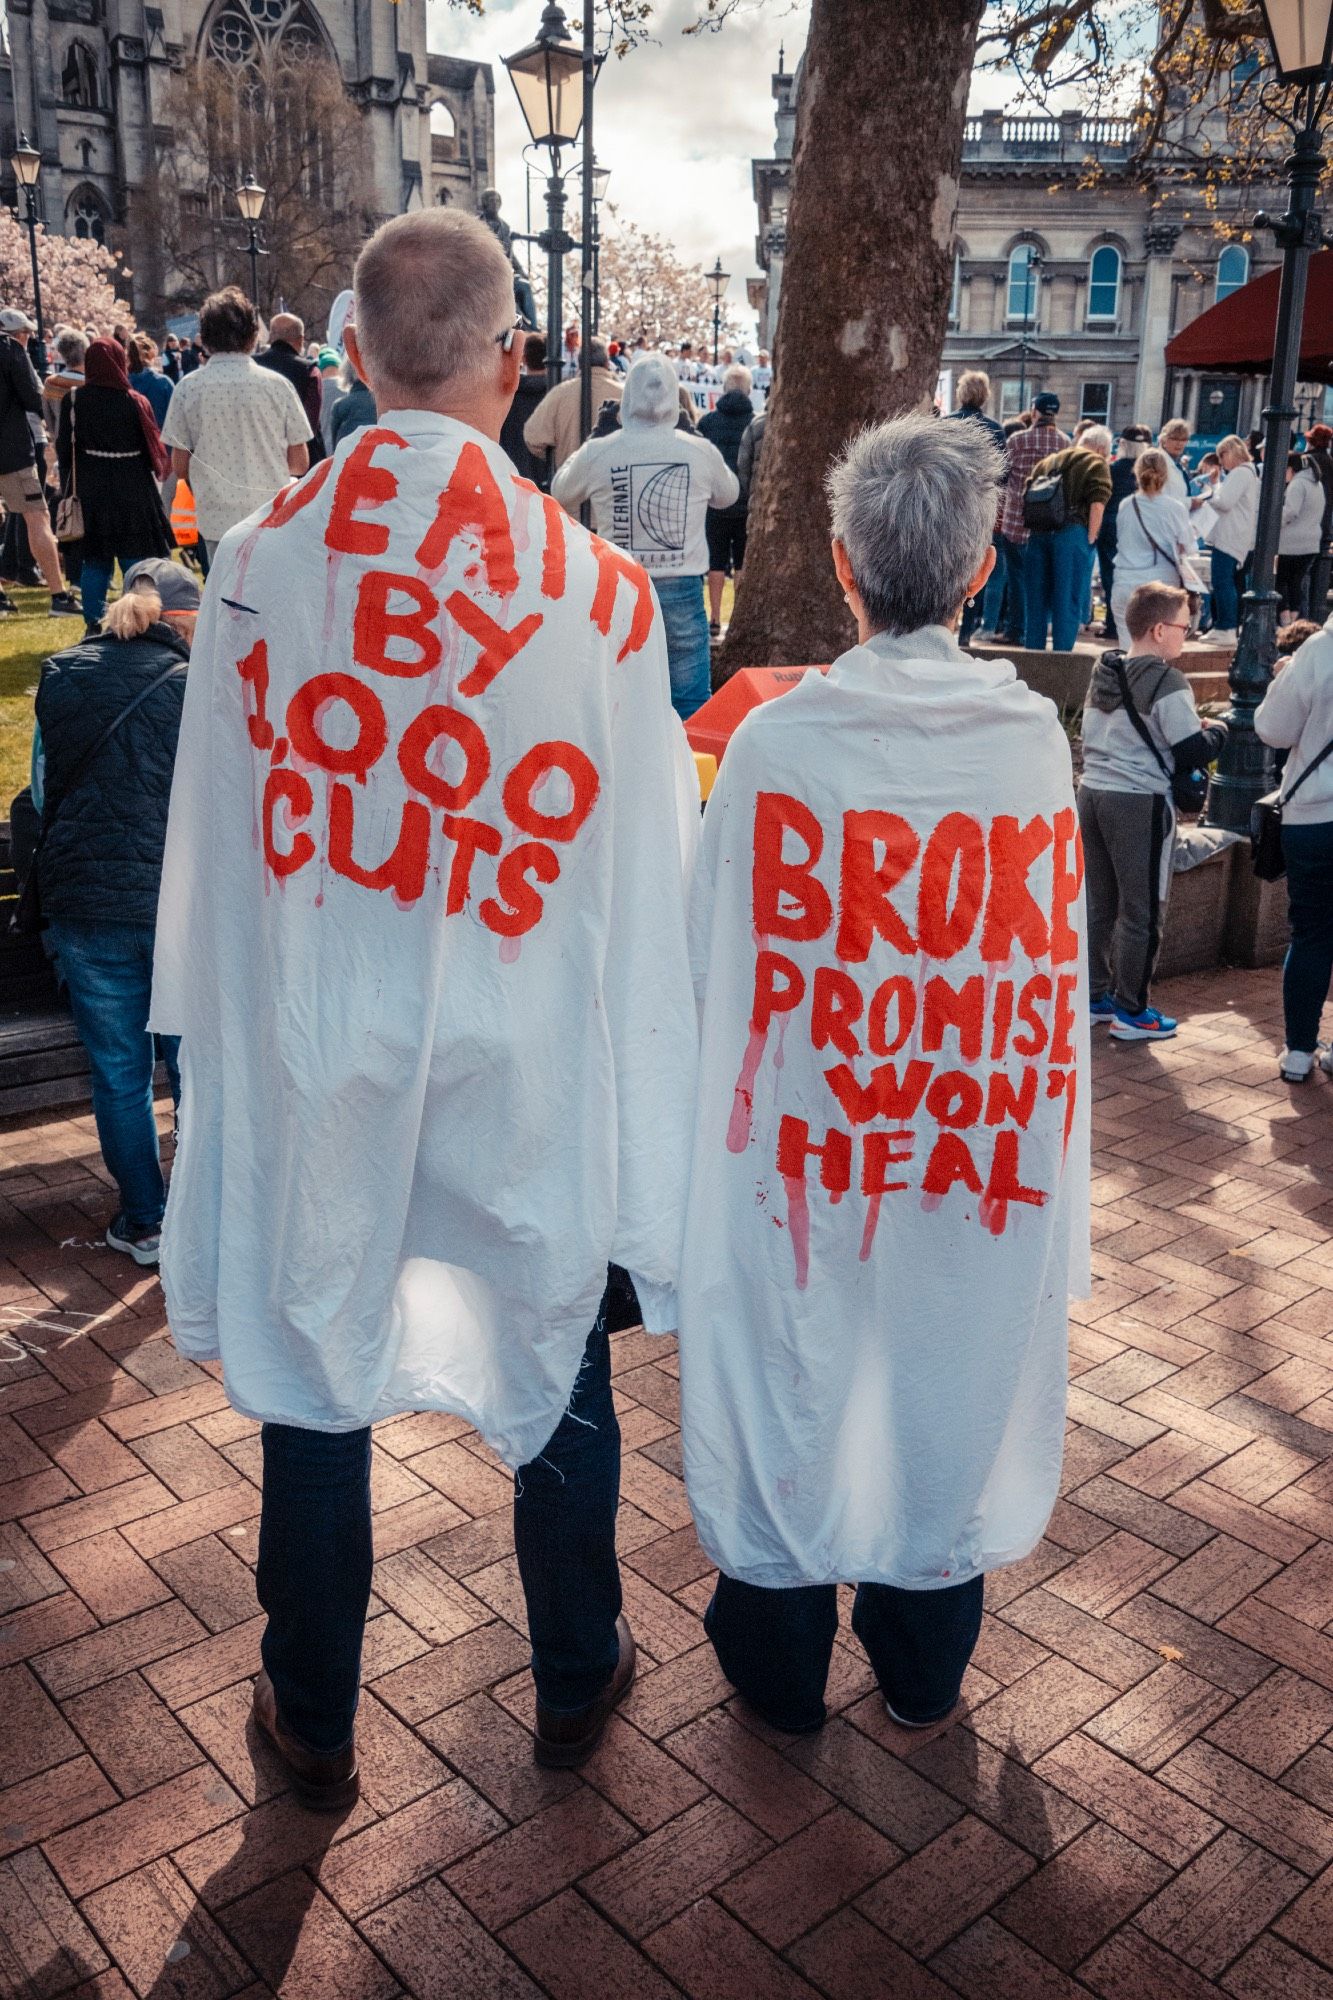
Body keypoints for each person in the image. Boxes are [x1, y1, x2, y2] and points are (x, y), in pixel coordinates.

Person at [149, 208, 698, 1800]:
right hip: (523, 1040)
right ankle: (576, 1670)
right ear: (513, 361)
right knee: (556, 1339)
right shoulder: (597, 599)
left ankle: (312, 1711)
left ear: (356, 360)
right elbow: (641, 876)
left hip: (327, 1032)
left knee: (318, 1357)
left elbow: (219, 843)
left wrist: (218, 1034)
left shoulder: (253, 577)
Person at [677, 411, 1090, 1735]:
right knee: (943, 1370)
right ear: (979, 572)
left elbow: (707, 960)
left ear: (847, 566)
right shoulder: (1029, 748)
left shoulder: (776, 749)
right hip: (966, 1152)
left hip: (803, 1151)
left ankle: (781, 1668)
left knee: (793, 1378)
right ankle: (919, 1665)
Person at [31, 557, 199, 1262]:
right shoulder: (197, 685)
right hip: (178, 904)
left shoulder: (62, 674)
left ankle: (146, 1221)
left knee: (120, 1073)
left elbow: (43, 792)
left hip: (86, 905)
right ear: (184, 619)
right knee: (193, 1068)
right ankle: (201, 1209)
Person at [552, 350, 738, 720]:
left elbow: (561, 491)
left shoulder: (601, 451)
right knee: (689, 702)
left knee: (618, 700)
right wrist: (693, 437)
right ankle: (690, 773)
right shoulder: (698, 451)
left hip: (620, 585)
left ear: (627, 396)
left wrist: (596, 439)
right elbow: (728, 494)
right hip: (682, 587)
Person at [1079, 583, 1227, 1044]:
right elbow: (1188, 750)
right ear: (1160, 629)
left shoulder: (1104, 669)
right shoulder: (1166, 680)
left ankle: (1095, 996)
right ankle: (1132, 1010)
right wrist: (1219, 731)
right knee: (1143, 910)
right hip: (1138, 801)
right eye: (1185, 626)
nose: (1189, 633)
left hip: (1091, 793)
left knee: (1099, 904)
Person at [161, 287, 311, 565]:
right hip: (269, 515)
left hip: (217, 517)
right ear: (254, 335)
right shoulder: (278, 386)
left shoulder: (187, 389)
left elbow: (180, 467)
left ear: (204, 338)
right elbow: (300, 462)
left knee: (223, 599)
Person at [1256, 616, 1333, 1083]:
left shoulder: (1319, 651)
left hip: (1314, 816)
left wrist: (1283, 680)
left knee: (1311, 934)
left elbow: (1273, 730)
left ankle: (1300, 1052)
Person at [56, 338, 175, 635]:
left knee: (95, 559)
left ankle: (93, 624)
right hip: (132, 488)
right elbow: (153, 451)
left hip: (92, 488)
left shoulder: (73, 400)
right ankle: (139, 621)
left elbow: (63, 449)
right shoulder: (135, 402)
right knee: (135, 557)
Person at [0, 308, 80, 615]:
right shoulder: (10, 351)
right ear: (18, 334)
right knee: (37, 517)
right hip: (11, 451)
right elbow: (33, 399)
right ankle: (58, 596)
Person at [1023, 423, 1112, 652]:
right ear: (1102, 449)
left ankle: (1033, 656)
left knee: (1036, 603)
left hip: (1038, 534)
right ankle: (1061, 657)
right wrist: (1091, 538)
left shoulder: (1047, 462)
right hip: (1071, 535)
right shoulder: (1095, 462)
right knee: (1067, 600)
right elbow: (1097, 503)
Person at [997, 390, 1068, 648]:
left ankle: (1016, 629)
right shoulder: (1064, 444)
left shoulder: (1017, 440)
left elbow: (1002, 475)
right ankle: (1037, 631)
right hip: (1048, 523)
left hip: (1016, 519)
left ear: (1035, 411)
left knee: (1017, 580)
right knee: (1043, 581)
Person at [1108, 446, 1198, 640]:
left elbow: (1122, 540)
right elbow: (1190, 549)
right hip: (1162, 583)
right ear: (1165, 475)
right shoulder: (1175, 508)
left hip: (1125, 579)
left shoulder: (1126, 505)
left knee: (1127, 649)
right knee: (1158, 651)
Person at [945, 370, 1005, 642]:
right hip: (979, 507)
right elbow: (1004, 475)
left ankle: (946, 625)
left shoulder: (946, 425)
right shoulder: (993, 429)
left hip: (947, 507)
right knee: (976, 570)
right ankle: (966, 632)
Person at [697, 362, 754, 636]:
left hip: (715, 502)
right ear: (749, 390)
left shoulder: (707, 423)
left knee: (716, 562)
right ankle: (737, 619)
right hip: (746, 504)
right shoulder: (754, 423)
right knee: (742, 561)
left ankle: (716, 617)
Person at [522, 334, 622, 472]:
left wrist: (557, 455)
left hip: (570, 479)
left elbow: (533, 437)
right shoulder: (624, 394)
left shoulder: (560, 393)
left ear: (579, 363)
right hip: (613, 482)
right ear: (606, 362)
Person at [1198, 434, 1258, 645]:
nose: (1220, 462)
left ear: (1229, 453)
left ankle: (1226, 627)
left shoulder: (1240, 473)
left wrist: (1206, 496)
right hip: (1236, 535)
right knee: (1228, 582)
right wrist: (1215, 487)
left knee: (1222, 582)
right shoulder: (1248, 473)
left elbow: (1225, 502)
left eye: (1221, 456)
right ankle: (1225, 625)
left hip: (1230, 536)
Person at [257, 312, 325, 463]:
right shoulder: (310, 371)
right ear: (301, 339)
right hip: (302, 460)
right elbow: (310, 424)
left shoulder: (251, 365)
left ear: (271, 336)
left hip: (258, 455)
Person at [1278, 451, 1323, 622]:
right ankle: (1295, 623)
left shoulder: (1297, 484)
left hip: (1290, 544)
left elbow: (1290, 512)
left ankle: (1285, 621)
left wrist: (1273, 523)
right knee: (1295, 583)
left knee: (1280, 582)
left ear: (1291, 469)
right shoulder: (1316, 484)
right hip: (1311, 544)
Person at [500, 332, 549, 484]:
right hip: (548, 476)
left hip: (514, 474)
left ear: (524, 359)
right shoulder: (556, 392)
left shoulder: (507, 393)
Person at [127, 335, 174, 428]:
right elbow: (177, 415)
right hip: (162, 438)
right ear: (151, 354)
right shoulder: (164, 383)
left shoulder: (123, 387)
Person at [1157, 418, 1195, 503]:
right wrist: (1190, 503)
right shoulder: (1157, 463)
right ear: (1163, 440)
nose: (1179, 443)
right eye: (1174, 439)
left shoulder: (1177, 465)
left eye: (1184, 439)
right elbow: (1158, 498)